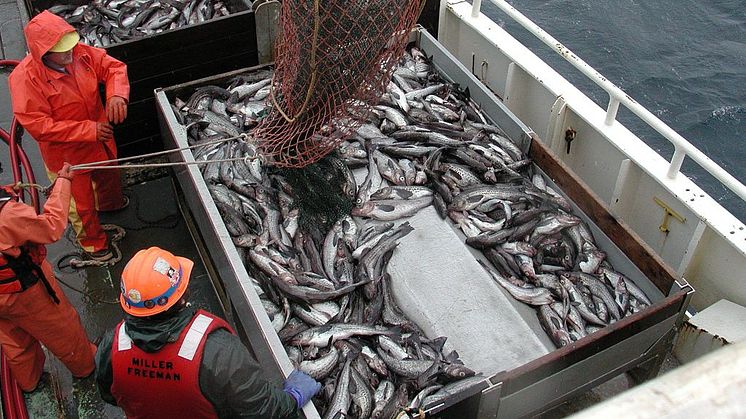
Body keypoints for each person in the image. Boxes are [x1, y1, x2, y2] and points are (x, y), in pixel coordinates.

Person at [95, 247, 321, 418]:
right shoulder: (219, 351)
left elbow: (110, 395)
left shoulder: (111, 345)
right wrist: (292, 397)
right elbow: (261, 409)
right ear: (182, 294)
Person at [8, 10, 131, 262]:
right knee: (81, 207)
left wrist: (117, 94)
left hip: (101, 143)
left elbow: (113, 67)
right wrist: (89, 130)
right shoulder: (23, 80)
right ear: (42, 52)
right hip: (68, 158)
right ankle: (94, 246)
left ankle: (111, 206)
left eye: (70, 45)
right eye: (62, 49)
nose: (69, 53)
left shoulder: (80, 54)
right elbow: (40, 126)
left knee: (109, 179)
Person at [0, 161, 97, 392]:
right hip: (23, 293)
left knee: (14, 341)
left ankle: (29, 382)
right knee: (63, 331)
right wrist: (63, 183)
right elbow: (51, 226)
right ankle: (86, 368)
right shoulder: (8, 215)